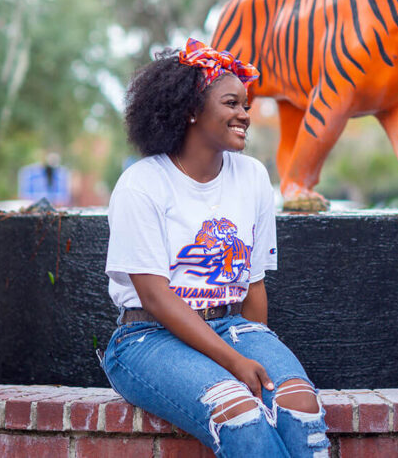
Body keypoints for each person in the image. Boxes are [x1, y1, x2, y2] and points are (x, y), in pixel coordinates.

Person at [101, 38, 329, 458]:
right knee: (239, 413)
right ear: (190, 110)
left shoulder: (253, 177)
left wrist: (251, 346)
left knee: (300, 407)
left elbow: (254, 287)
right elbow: (154, 295)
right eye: (232, 103)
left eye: (246, 104)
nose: (245, 114)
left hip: (232, 327)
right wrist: (235, 363)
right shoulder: (143, 184)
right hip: (146, 337)